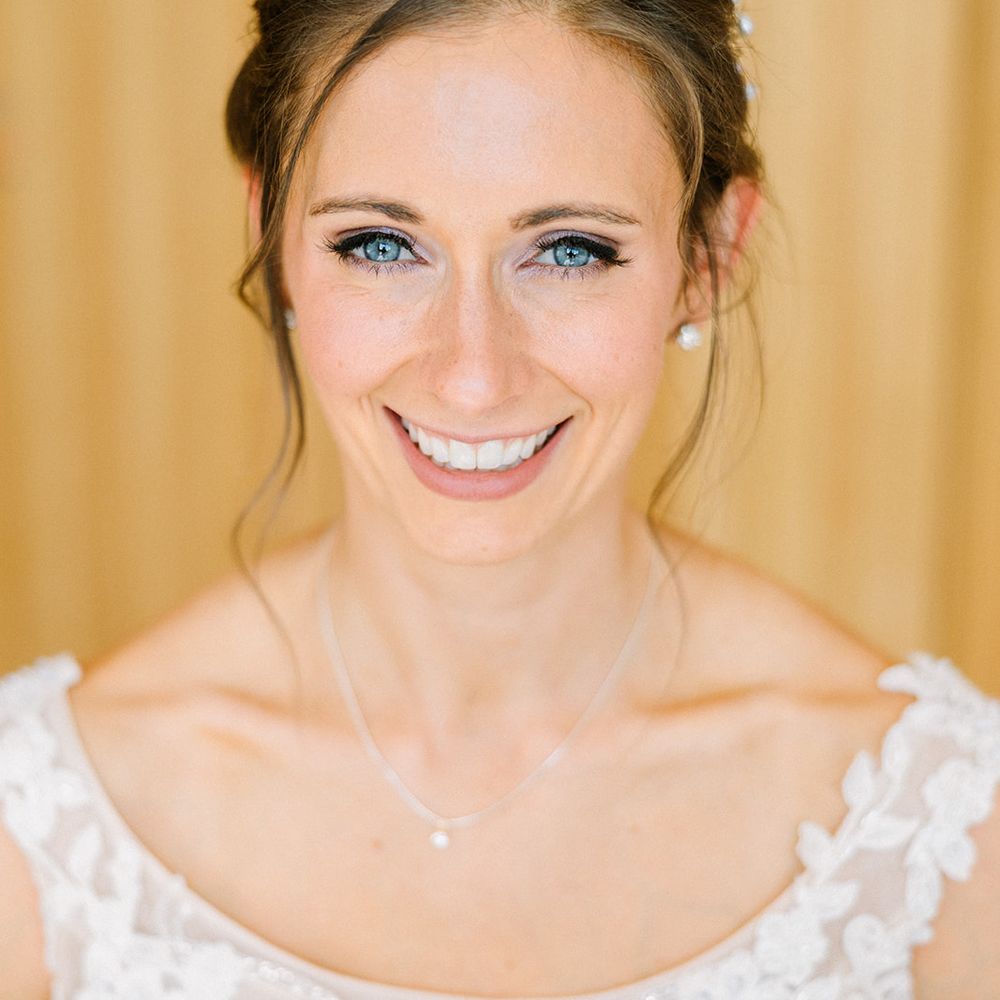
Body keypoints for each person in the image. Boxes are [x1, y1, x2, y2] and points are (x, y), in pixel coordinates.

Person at [2, 1, 998, 997]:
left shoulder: (940, 831)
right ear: (271, 237)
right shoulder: (43, 821)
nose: (473, 376)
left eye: (570, 250)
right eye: (379, 244)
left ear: (707, 257)